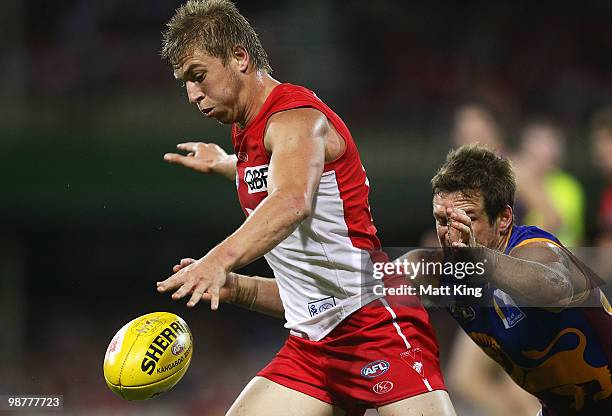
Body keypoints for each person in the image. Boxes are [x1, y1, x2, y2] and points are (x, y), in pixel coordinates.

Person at [156, 1, 456, 415]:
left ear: (240, 58)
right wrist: (227, 165)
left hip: (372, 322)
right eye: (185, 83)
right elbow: (274, 178)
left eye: (198, 76)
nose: (192, 94)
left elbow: (291, 200)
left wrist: (218, 261)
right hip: (311, 346)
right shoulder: (248, 130)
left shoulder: (295, 118)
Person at [424, 144, 612, 415]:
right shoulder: (438, 270)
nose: (453, 234)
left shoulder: (538, 249)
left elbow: (552, 285)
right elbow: (371, 286)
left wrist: (479, 259)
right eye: (443, 220)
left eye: (469, 219)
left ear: (503, 218)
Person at [513, 118, 586, 246]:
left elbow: (549, 225)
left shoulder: (566, 186)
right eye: (537, 142)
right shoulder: (519, 185)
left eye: (549, 143)